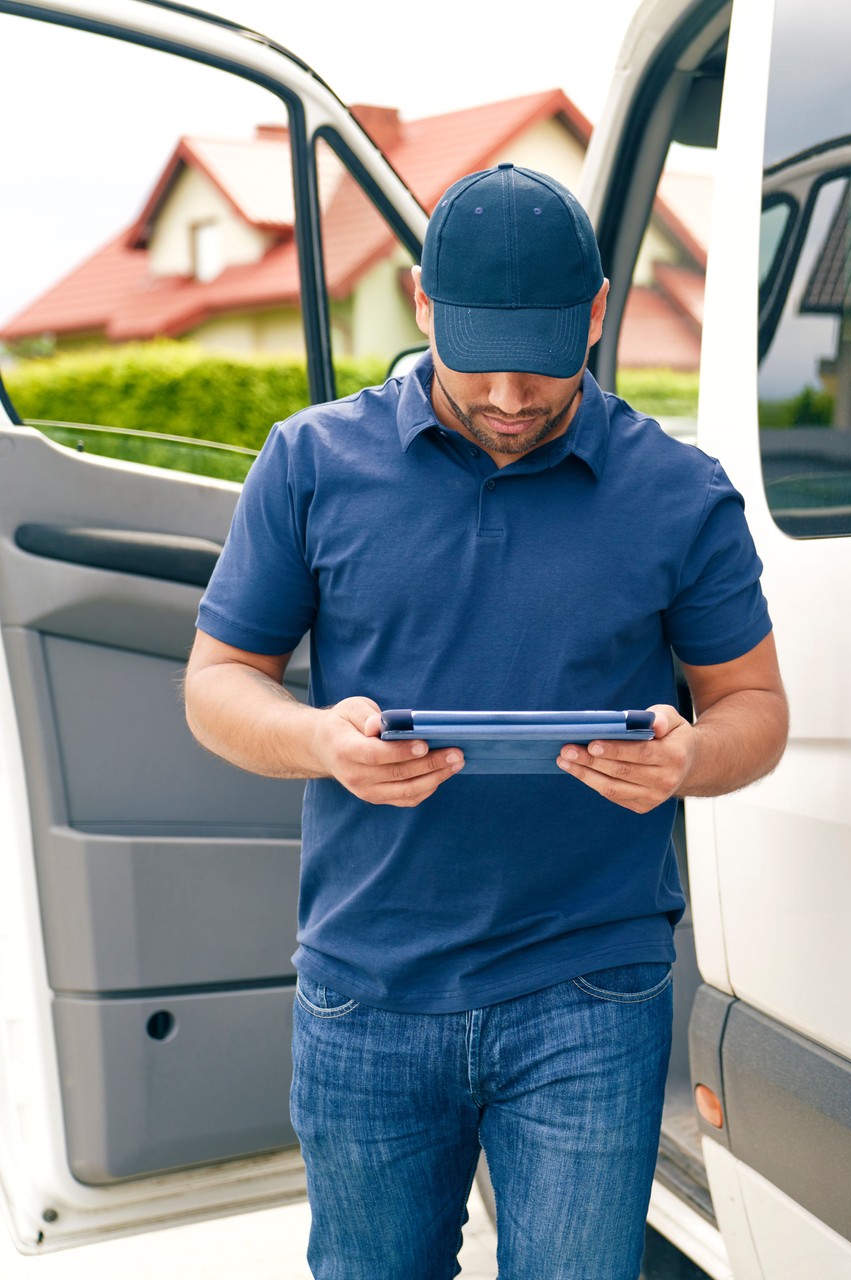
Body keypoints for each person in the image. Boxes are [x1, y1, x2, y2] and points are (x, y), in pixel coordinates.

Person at [181, 163, 788, 1279]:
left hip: (589, 995)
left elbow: (755, 706)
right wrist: (322, 738)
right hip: (367, 991)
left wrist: (691, 755)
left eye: (546, 365)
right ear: (422, 303)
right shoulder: (309, 464)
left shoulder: (680, 493)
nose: (511, 396)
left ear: (600, 314)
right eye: (481, 362)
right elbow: (217, 683)